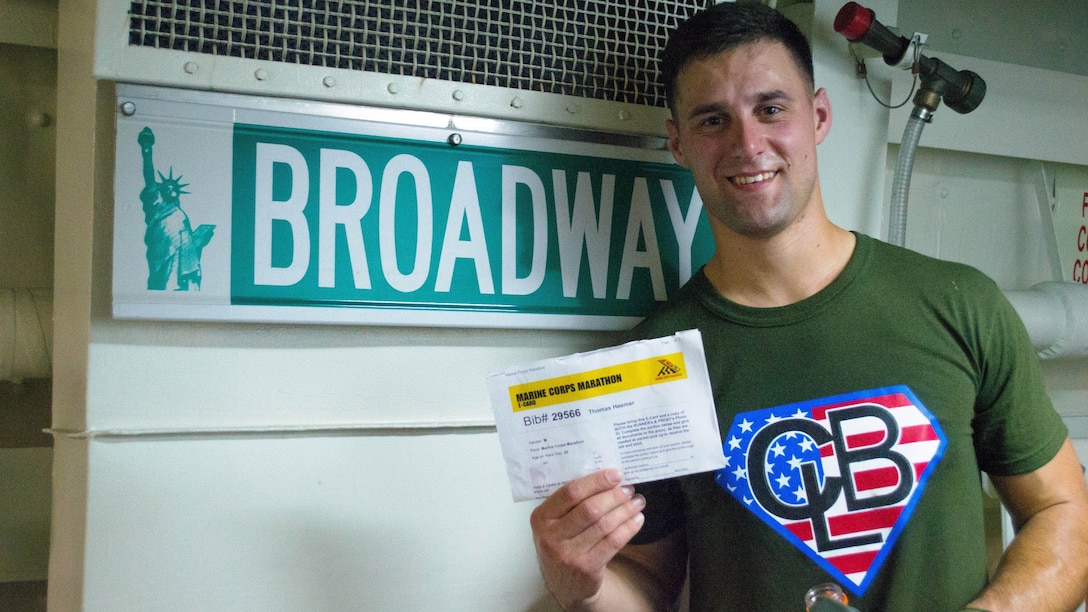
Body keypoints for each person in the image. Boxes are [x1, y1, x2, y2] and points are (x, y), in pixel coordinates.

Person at [528, 3, 1088, 611]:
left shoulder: (960, 305)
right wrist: (579, 587)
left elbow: (1064, 514)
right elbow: (647, 584)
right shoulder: (653, 364)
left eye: (771, 109)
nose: (747, 143)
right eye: (713, 120)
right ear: (678, 143)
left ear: (818, 115)